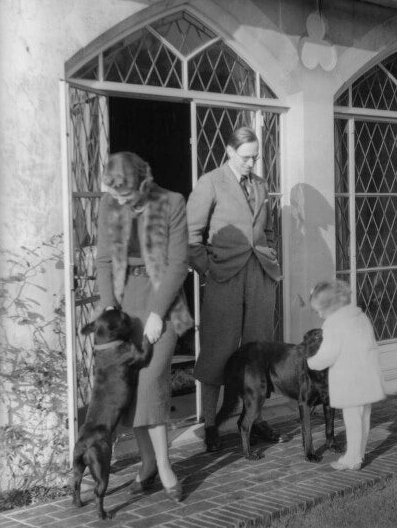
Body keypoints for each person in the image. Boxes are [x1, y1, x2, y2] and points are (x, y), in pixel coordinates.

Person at [96, 151, 193, 501]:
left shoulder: (172, 202)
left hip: (162, 299)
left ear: (142, 183)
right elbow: (103, 260)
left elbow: (178, 263)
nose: (119, 200)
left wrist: (156, 313)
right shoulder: (108, 203)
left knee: (151, 383)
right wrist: (109, 305)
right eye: (114, 194)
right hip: (124, 307)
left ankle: (165, 466)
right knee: (130, 386)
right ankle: (148, 463)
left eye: (124, 194)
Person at [187, 125, 282, 451]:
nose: (251, 164)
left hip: (260, 274)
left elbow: (268, 230)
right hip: (224, 276)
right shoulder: (210, 182)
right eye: (245, 157)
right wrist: (209, 269)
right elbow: (191, 236)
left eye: (255, 157)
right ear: (229, 151)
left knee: (259, 350)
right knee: (218, 349)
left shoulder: (261, 184)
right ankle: (210, 424)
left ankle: (254, 419)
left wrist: (270, 254)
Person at [307, 279, 385, 471]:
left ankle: (353, 459)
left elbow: (329, 354)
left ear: (330, 307)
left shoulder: (334, 324)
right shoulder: (360, 316)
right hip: (368, 375)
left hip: (350, 379)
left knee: (352, 420)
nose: (320, 315)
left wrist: (311, 362)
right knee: (364, 417)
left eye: (320, 311)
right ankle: (359, 454)